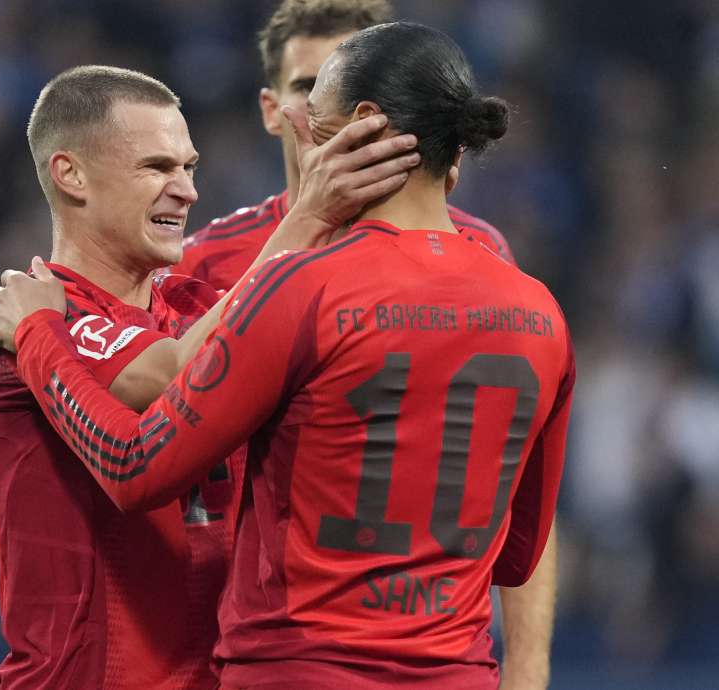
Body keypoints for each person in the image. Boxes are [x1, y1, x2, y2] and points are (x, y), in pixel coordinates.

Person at [0, 22, 574, 690]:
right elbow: (517, 555)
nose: (295, 127)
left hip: (300, 668)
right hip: (456, 672)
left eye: (312, 114)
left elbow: (136, 465)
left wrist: (38, 335)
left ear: (363, 126)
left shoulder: (300, 288)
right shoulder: (539, 311)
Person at [0, 65, 419, 689]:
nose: (187, 192)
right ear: (71, 175)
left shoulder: (195, 308)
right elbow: (175, 373)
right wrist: (308, 215)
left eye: (189, 167)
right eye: (157, 168)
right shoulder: (34, 320)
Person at [172, 3, 557, 688]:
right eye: (308, 85)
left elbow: (511, 485)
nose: (347, 119)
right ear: (275, 110)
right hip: (236, 647)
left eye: (348, 84)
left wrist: (527, 672)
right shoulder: (201, 264)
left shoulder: (483, 257)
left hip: (351, 652)